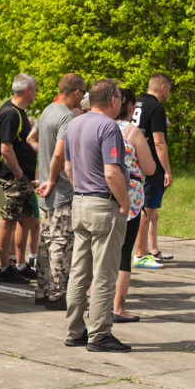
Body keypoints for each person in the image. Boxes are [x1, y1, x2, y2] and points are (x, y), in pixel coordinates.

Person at [63, 79, 132, 352]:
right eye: (120, 97)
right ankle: (100, 334)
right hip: (103, 205)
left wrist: (81, 188)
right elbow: (112, 171)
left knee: (79, 271)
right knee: (104, 274)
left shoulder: (75, 123)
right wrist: (124, 203)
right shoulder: (108, 127)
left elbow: (68, 167)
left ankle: (74, 329)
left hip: (79, 202)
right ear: (113, 100)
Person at [29, 73, 86, 309]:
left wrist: (45, 168)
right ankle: (56, 295)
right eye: (82, 93)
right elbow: (59, 153)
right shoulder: (66, 118)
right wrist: (52, 178)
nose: (82, 98)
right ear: (76, 92)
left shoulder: (47, 110)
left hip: (46, 192)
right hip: (61, 191)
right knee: (61, 244)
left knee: (45, 242)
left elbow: (31, 138)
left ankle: (42, 291)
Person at [113, 88, 156, 321]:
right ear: (129, 107)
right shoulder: (132, 131)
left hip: (98, 195)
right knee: (123, 253)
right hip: (129, 197)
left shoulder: (98, 126)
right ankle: (118, 307)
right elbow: (149, 168)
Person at [0, 73, 39, 284]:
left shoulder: (20, 112)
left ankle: (21, 264)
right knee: (9, 221)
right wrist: (20, 175)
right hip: (12, 179)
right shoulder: (10, 114)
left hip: (24, 178)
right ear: (27, 90)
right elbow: (6, 149)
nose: (37, 93)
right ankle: (5, 269)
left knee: (26, 219)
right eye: (36, 89)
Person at [132, 72, 173, 268]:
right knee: (146, 210)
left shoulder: (136, 102)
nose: (169, 94)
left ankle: (151, 249)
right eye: (169, 90)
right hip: (151, 165)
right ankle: (140, 254)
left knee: (150, 210)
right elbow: (159, 143)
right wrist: (167, 170)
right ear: (163, 88)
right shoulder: (156, 108)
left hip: (134, 163)